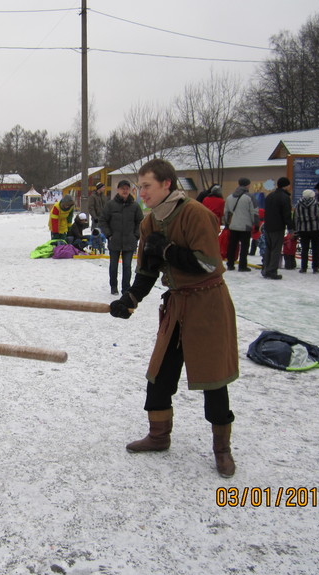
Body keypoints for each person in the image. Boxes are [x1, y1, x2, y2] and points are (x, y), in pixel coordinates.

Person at [109, 158, 238, 478]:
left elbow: (208, 265)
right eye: (139, 187)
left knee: (213, 378)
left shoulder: (196, 214)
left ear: (167, 184)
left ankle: (222, 449)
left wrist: (167, 250)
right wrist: (131, 298)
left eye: (147, 186)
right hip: (177, 305)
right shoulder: (150, 223)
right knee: (160, 373)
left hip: (208, 305)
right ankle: (158, 436)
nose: (142, 193)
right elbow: (147, 270)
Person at [99, 180, 143, 295]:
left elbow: (141, 222)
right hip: (114, 241)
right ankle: (113, 287)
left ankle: (126, 289)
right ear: (118, 190)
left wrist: (136, 235)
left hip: (129, 242)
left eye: (127, 188)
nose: (125, 190)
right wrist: (109, 235)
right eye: (122, 188)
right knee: (113, 266)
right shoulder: (110, 205)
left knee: (127, 267)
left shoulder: (135, 206)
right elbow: (103, 221)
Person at [261, 177, 294, 280]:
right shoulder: (284, 197)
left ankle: (265, 269)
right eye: (289, 185)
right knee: (276, 249)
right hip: (278, 227)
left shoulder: (270, 196)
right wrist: (291, 229)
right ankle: (272, 271)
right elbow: (287, 215)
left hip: (268, 226)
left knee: (268, 248)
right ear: (286, 185)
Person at [223, 177, 257, 272]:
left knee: (232, 245)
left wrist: (226, 223)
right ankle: (242, 265)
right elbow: (254, 212)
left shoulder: (229, 197)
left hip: (233, 225)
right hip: (245, 226)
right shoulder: (250, 197)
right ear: (247, 185)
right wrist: (256, 224)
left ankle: (230, 264)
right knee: (244, 247)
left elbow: (226, 212)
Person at [293, 188, 319, 274]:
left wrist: (296, 230)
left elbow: (295, 218)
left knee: (304, 249)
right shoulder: (316, 205)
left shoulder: (298, 205)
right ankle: (315, 267)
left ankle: (303, 267)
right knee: (315, 248)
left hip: (303, 230)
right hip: (315, 230)